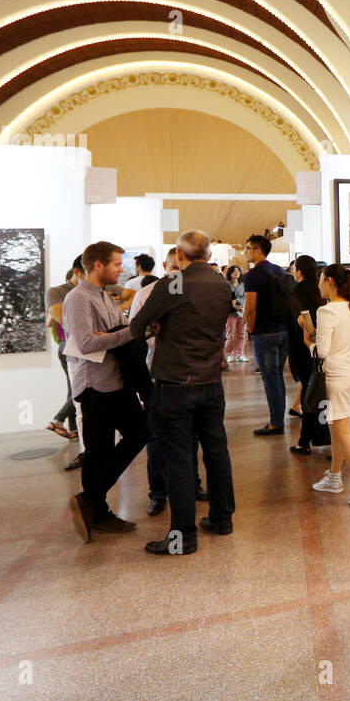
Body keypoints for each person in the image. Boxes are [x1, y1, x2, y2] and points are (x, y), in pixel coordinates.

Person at [129, 231, 236, 555]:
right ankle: (221, 519)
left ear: (179, 255)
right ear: (206, 252)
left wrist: (160, 325)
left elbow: (137, 327)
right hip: (210, 381)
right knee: (217, 452)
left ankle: (183, 536)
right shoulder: (221, 283)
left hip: (175, 382)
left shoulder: (172, 284)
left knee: (177, 458)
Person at [63, 241, 147, 542]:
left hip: (116, 383)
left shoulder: (105, 297)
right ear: (97, 265)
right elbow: (87, 343)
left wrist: (122, 333)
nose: (120, 268)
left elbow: (118, 332)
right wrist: (130, 333)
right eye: (115, 263)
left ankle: (91, 498)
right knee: (98, 451)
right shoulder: (77, 299)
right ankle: (96, 509)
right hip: (95, 386)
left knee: (139, 433)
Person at [130, 250, 204, 516]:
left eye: (179, 267)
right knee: (157, 438)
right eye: (171, 267)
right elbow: (135, 336)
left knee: (192, 434)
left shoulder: (194, 294)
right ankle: (158, 491)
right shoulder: (146, 295)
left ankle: (192, 484)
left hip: (190, 375)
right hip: (156, 376)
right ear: (164, 266)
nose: (175, 272)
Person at [306, 264, 350, 506]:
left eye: (320, 279)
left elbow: (323, 351)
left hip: (335, 377)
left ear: (329, 282)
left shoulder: (326, 312)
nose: (318, 284)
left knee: (342, 432)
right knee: (338, 428)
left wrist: (308, 340)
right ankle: (335, 477)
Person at [244, 234, 293, 436]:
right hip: (283, 330)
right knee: (277, 376)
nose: (245, 251)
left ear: (258, 250)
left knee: (270, 378)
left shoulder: (253, 275)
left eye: (248, 248)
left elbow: (250, 308)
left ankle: (276, 422)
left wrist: (251, 329)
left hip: (265, 332)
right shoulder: (278, 270)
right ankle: (278, 418)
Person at [287, 256, 332, 454]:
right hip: (324, 350)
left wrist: (310, 339)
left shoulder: (296, 292)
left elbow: (303, 320)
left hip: (305, 349)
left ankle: (304, 442)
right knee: (322, 394)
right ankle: (323, 437)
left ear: (299, 272)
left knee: (309, 395)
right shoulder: (320, 291)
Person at [45, 258, 82, 441]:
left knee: (72, 388)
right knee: (78, 388)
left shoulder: (60, 297)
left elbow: (49, 322)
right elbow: (53, 320)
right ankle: (57, 420)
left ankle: (73, 429)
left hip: (63, 344)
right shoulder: (66, 296)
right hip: (68, 345)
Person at [224, 265, 247, 363]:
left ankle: (240, 354)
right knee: (230, 335)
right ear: (230, 273)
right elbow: (226, 297)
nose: (237, 273)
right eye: (234, 271)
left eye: (238, 271)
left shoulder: (243, 284)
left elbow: (245, 297)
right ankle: (229, 354)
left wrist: (240, 305)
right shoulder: (227, 284)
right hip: (231, 312)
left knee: (241, 334)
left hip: (241, 311)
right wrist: (234, 305)